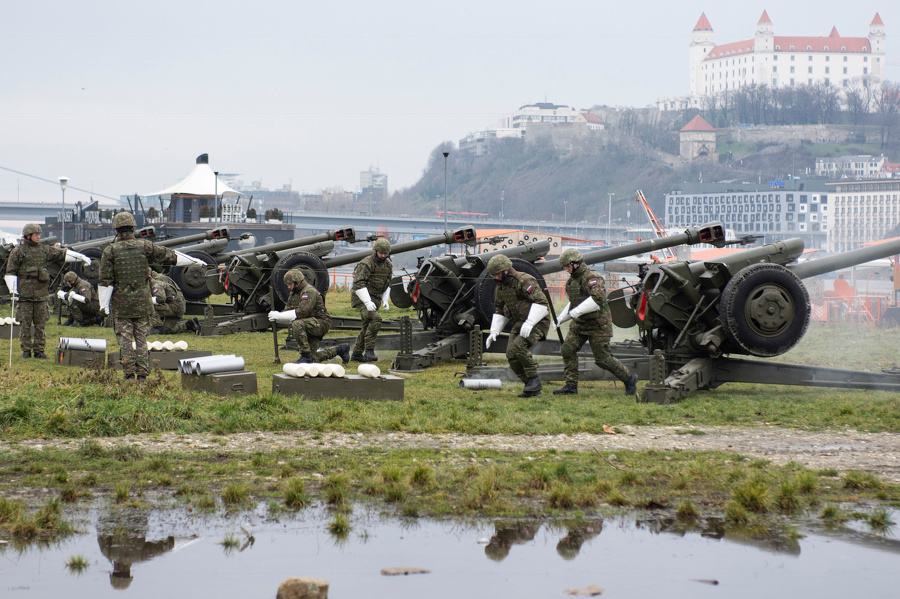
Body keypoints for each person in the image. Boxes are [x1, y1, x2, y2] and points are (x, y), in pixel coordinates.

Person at [98, 212, 200, 380]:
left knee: (125, 340)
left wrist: (104, 306)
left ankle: (129, 374)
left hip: (121, 304)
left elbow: (105, 281)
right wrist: (194, 261)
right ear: (132, 228)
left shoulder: (110, 251)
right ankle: (143, 375)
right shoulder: (145, 246)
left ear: (117, 231)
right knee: (141, 339)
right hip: (143, 303)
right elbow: (169, 256)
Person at [550, 248, 638, 397]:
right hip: (580, 324)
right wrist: (561, 318)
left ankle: (629, 379)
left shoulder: (592, 277)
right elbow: (573, 303)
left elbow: (598, 299)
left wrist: (575, 313)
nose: (566, 270)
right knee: (567, 349)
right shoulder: (572, 281)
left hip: (598, 324)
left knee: (603, 359)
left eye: (567, 266)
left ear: (576, 264)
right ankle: (571, 386)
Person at [3, 223, 91, 358]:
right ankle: (26, 350)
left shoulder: (44, 250)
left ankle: (39, 351)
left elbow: (62, 254)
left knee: (40, 325)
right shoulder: (18, 252)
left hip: (41, 295)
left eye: (39, 234)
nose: (38, 237)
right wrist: (13, 291)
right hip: (25, 295)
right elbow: (10, 272)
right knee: (25, 324)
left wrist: (80, 257)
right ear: (28, 236)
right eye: (36, 234)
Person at [484, 254, 550, 398]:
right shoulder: (501, 286)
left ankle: (534, 380)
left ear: (505, 271)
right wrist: (494, 331)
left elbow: (542, 303)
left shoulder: (525, 280)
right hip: (519, 322)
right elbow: (500, 309)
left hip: (538, 322)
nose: (495, 278)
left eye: (497, 274)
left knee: (518, 347)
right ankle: (530, 385)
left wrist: (531, 322)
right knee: (511, 355)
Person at [267, 269, 350, 364]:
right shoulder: (293, 293)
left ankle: (305, 354)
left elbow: (302, 312)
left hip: (320, 323)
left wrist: (279, 316)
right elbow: (288, 311)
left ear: (297, 283)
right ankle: (340, 350)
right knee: (313, 359)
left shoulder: (309, 291)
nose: (289, 287)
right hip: (309, 323)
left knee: (297, 324)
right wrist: (278, 316)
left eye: (290, 284)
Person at [350, 237, 392, 362]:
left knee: (367, 325)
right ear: (375, 251)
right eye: (381, 253)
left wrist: (385, 300)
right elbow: (358, 284)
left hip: (376, 299)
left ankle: (357, 354)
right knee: (376, 319)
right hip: (361, 298)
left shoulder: (388, 265)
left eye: (385, 253)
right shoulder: (366, 264)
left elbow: (387, 284)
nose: (383, 256)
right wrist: (367, 302)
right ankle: (369, 351)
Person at [148, 269, 200, 335]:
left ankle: (157, 327)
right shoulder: (158, 278)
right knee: (167, 330)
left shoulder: (157, 281)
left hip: (174, 306)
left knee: (148, 305)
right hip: (175, 305)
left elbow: (160, 298)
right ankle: (189, 324)